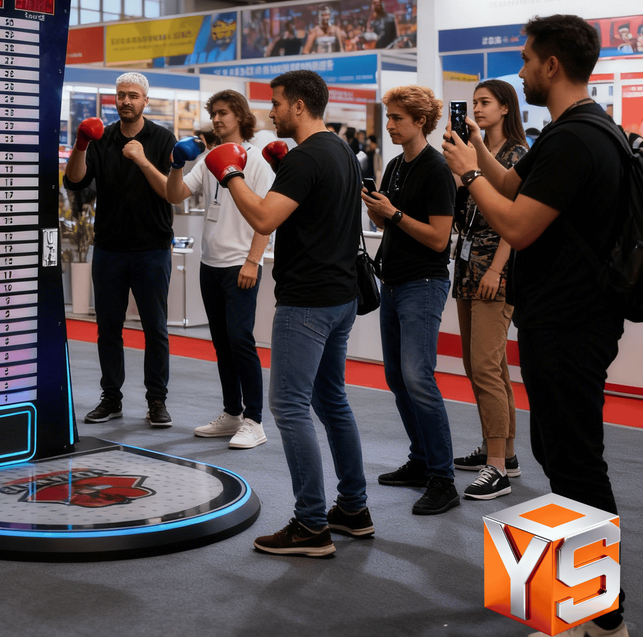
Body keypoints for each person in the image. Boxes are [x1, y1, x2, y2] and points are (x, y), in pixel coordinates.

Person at [442, 15, 628, 637]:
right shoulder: (568, 133)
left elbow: (517, 226)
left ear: (551, 65)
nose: (520, 71)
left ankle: (604, 617)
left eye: (526, 60)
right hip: (558, 317)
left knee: (576, 460)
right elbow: (512, 185)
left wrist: (469, 175)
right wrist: (477, 154)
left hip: (573, 321)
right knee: (558, 452)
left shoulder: (578, 139)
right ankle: (581, 602)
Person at [205, 70, 371, 557]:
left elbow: (263, 217)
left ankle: (311, 524)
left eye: (276, 103)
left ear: (299, 105)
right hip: (340, 297)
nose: (271, 112)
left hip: (307, 302)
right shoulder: (341, 149)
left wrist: (231, 174)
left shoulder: (306, 156)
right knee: (332, 401)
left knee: (290, 406)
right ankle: (354, 508)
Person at [361, 85, 458, 516]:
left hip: (423, 282)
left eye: (397, 118)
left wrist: (393, 214)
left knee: (418, 378)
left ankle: (443, 478)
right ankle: (421, 461)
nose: (390, 125)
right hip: (395, 281)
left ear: (420, 121)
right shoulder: (396, 165)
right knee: (399, 379)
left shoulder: (436, 168)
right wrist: (378, 211)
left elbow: (439, 239)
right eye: (389, 117)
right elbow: (390, 226)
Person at [64, 72, 176, 427]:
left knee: (155, 328)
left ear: (145, 100)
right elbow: (75, 180)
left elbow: (170, 191)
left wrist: (142, 159)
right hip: (109, 247)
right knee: (108, 327)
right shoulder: (103, 137)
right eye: (121, 95)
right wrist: (81, 143)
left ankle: (156, 400)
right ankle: (111, 398)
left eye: (133, 95)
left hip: (152, 247)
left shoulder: (163, 138)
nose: (126, 100)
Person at [165, 90, 274, 449]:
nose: (216, 119)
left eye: (223, 112)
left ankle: (254, 420)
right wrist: (176, 164)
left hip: (240, 263)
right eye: (213, 113)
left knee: (241, 340)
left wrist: (253, 260)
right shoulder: (210, 158)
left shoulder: (256, 160)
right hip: (209, 263)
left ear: (240, 116)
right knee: (222, 343)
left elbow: (266, 217)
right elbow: (175, 195)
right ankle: (232, 412)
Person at [449, 80, 527, 501]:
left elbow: (516, 218)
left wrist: (497, 268)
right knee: (483, 365)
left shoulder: (517, 155)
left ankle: (496, 465)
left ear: (505, 108)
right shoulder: (474, 151)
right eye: (474, 102)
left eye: (485, 102)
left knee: (484, 366)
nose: (476, 109)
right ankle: (503, 452)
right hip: (467, 266)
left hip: (495, 270)